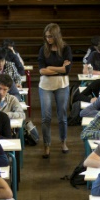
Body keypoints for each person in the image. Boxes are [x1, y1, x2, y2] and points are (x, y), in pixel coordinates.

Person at [38, 23, 73, 157]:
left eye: (51, 36)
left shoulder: (65, 49)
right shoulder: (43, 49)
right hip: (45, 85)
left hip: (62, 85)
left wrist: (50, 69)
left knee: (62, 116)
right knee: (46, 117)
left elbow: (67, 70)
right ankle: (47, 145)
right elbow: (41, 70)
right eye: (46, 37)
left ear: (56, 36)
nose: (48, 39)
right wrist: (59, 69)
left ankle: (63, 141)